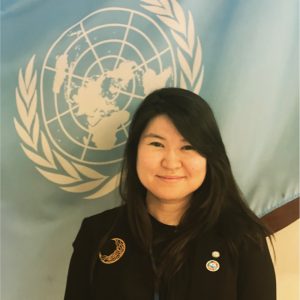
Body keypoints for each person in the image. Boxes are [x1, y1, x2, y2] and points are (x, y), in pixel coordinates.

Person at [64, 87, 276, 300]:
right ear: (135, 150)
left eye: (188, 147)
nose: (171, 162)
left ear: (210, 157)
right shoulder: (97, 233)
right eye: (157, 144)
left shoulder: (244, 238)